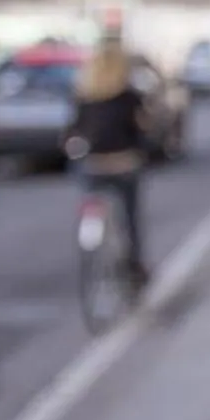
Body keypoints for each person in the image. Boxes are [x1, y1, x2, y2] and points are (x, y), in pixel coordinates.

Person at [70, 37, 150, 281]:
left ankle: (90, 222)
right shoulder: (129, 96)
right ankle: (134, 264)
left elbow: (74, 129)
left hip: (93, 165)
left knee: (89, 193)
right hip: (123, 163)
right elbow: (142, 128)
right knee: (130, 215)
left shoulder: (86, 95)